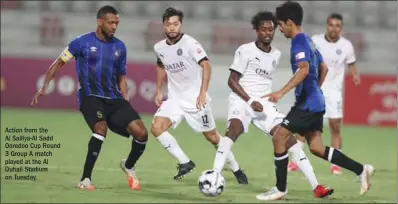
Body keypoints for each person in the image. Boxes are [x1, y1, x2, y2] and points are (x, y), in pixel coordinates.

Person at [255, 2, 375, 201]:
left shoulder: (299, 42)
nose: (280, 29)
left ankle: (280, 188)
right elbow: (324, 68)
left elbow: (303, 69)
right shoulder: (309, 41)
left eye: (280, 25)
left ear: (289, 22)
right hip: (315, 101)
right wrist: (315, 90)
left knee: (279, 137)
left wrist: (281, 92)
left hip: (308, 103)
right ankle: (361, 170)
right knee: (317, 148)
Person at [211, 10, 333, 198]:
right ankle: (214, 175)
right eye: (263, 29)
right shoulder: (245, 50)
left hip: (264, 103)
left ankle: (316, 186)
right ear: (256, 31)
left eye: (271, 29)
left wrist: (262, 100)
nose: (268, 33)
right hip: (243, 100)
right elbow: (232, 81)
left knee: (287, 140)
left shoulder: (276, 54)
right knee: (233, 130)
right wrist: (250, 100)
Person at [31, 6, 148, 191]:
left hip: (114, 98)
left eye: (117, 23)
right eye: (111, 22)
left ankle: (129, 165)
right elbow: (59, 62)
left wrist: (125, 99)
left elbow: (122, 76)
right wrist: (44, 85)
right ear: (99, 22)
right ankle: (85, 179)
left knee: (142, 133)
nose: (114, 26)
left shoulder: (120, 47)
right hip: (90, 96)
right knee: (100, 129)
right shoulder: (81, 42)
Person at [151, 7, 248, 184]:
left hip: (195, 100)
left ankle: (236, 168)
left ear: (180, 24)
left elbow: (206, 66)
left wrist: (202, 93)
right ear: (164, 26)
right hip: (174, 99)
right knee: (156, 128)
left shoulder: (190, 43)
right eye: (168, 24)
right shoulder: (159, 47)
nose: (172, 28)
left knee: (212, 136)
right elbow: (160, 65)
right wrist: (159, 90)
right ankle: (185, 162)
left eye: (175, 24)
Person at [288, 13, 361, 175]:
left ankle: (336, 164)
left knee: (335, 127)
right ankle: (295, 161)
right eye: (331, 25)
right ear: (326, 26)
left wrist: (354, 74)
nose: (333, 28)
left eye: (337, 26)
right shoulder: (316, 40)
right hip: (315, 89)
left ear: (340, 28)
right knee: (304, 126)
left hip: (334, 92)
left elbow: (352, 64)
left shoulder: (347, 45)